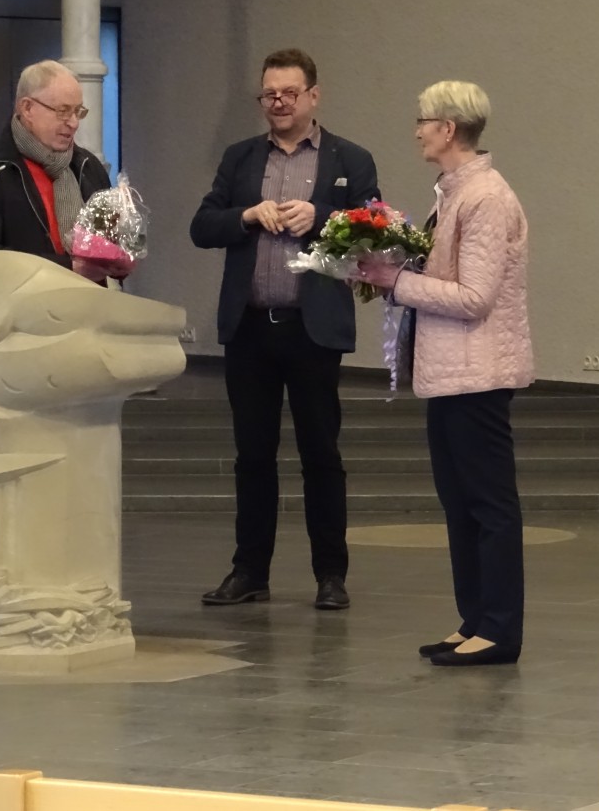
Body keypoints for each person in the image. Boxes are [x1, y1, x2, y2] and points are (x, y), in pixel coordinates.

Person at [190, 49, 380, 611]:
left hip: (312, 328)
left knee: (321, 453)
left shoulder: (351, 158)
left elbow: (376, 231)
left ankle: (331, 575)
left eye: (288, 94)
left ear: (313, 96)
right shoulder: (241, 158)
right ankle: (249, 571)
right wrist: (247, 215)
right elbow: (202, 226)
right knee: (253, 454)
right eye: (268, 95)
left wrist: (319, 218)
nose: (277, 104)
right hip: (249, 329)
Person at [354, 80, 534, 665]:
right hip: (451, 372)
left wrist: (396, 283)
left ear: (449, 128)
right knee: (460, 506)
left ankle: (500, 629)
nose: (417, 130)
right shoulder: (453, 192)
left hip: (477, 374)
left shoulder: (485, 197)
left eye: (423, 121)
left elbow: (476, 297)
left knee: (488, 507)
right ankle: (475, 619)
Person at [0, 60, 131, 282]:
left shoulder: (88, 167)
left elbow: (111, 243)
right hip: (23, 312)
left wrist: (122, 256)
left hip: (91, 308)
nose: (74, 123)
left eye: (78, 111)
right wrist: (69, 268)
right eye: (63, 111)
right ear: (27, 108)